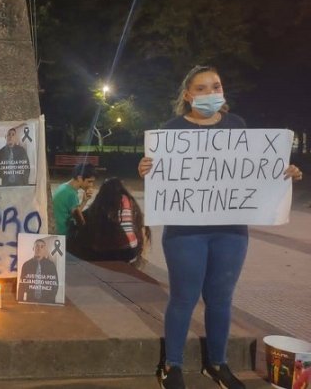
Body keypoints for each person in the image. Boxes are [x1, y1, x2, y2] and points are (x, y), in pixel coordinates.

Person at [138, 65, 303, 389]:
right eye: (202, 88)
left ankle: (217, 363)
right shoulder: (170, 131)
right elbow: (162, 172)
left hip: (230, 231)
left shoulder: (237, 127)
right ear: (188, 95)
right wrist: (145, 167)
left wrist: (285, 173)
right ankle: (172, 365)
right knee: (184, 298)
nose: (211, 93)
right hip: (186, 232)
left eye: (216, 86)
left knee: (221, 298)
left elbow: (252, 171)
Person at [70, 177, 149, 265]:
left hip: (106, 254)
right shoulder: (130, 201)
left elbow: (82, 218)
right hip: (131, 252)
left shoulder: (103, 201)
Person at [52, 163, 96, 240]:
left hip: (56, 229)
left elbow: (75, 213)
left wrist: (84, 201)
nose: (91, 185)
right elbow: (80, 220)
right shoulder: (71, 194)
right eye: (89, 181)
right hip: (64, 234)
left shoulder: (63, 187)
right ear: (79, 178)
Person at [17, 239, 59, 303]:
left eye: (42, 247)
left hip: (47, 301)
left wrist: (50, 300)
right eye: (37, 246)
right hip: (30, 300)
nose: (39, 249)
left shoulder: (51, 265)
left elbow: (55, 285)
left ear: (44, 250)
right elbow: (22, 285)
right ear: (33, 248)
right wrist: (20, 301)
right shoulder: (26, 265)